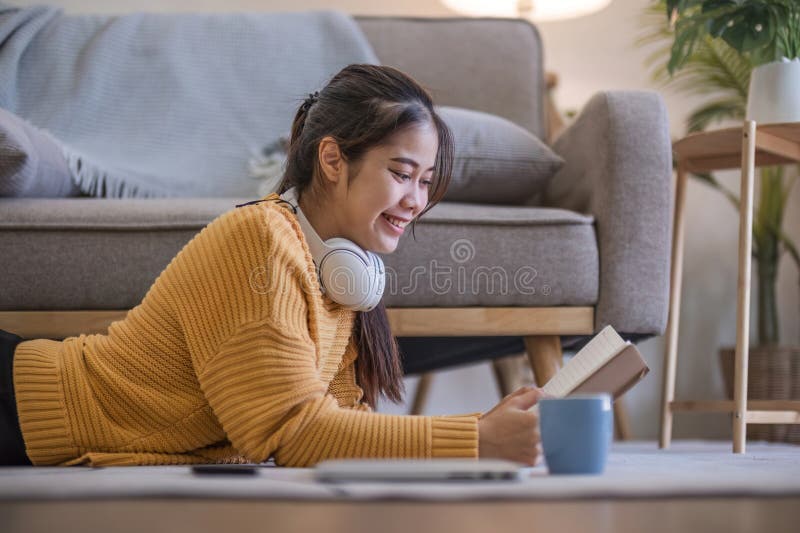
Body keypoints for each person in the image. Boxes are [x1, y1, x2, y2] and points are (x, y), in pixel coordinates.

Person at [0, 64, 544, 467]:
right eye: (402, 173)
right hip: (25, 404)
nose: (416, 201)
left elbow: (335, 427)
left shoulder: (340, 271)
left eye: (426, 182)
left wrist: (490, 428)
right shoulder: (261, 239)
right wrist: (476, 438)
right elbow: (292, 435)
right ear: (332, 160)